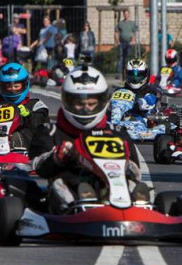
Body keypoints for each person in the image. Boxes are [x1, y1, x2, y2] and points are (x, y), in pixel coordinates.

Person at [29, 68, 149, 214]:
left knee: (132, 184)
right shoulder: (50, 130)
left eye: (91, 103)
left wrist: (124, 164)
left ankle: (138, 204)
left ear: (102, 102)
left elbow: (136, 171)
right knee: (61, 184)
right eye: (80, 104)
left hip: (113, 185)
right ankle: (80, 205)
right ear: (67, 101)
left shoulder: (117, 132)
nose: (85, 109)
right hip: (70, 187)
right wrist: (57, 157)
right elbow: (38, 166)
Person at [115, 9, 138, 76]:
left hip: (129, 43)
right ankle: (118, 74)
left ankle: (128, 72)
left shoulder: (132, 23)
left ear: (129, 14)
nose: (126, 15)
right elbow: (116, 32)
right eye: (124, 14)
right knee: (120, 58)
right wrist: (118, 41)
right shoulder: (120, 23)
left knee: (128, 58)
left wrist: (132, 41)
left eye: (127, 14)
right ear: (123, 15)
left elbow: (134, 33)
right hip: (122, 43)